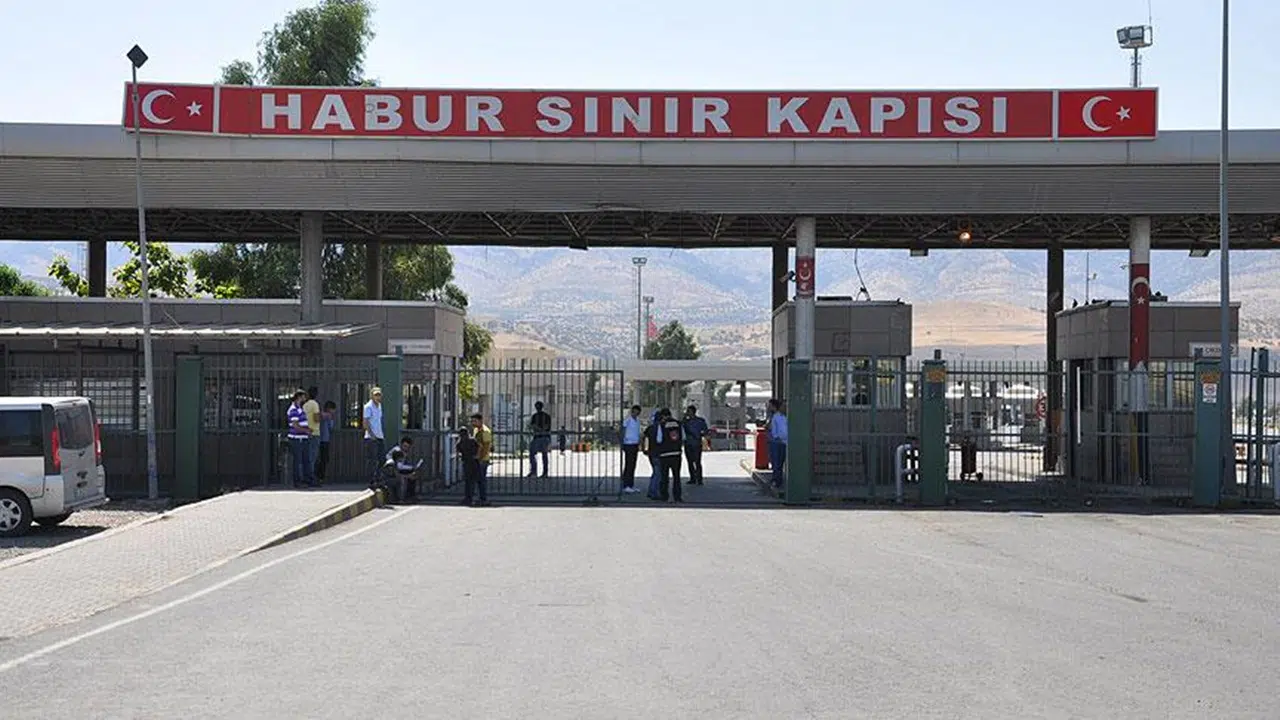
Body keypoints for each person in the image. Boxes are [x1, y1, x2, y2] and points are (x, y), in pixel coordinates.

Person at [654, 408, 685, 503]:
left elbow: (659, 439)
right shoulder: (679, 424)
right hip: (676, 454)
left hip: (665, 454)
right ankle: (677, 497)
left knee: (664, 477)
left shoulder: (661, 425)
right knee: (676, 477)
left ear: (663, 416)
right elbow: (684, 437)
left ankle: (664, 496)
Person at [285, 389, 314, 488]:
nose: (305, 398)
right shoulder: (293, 409)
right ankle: (297, 481)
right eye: (304, 396)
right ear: (299, 397)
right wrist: (306, 430)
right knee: (298, 461)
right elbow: (295, 425)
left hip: (302, 437)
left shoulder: (299, 408)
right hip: (297, 438)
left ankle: (307, 479)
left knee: (305, 459)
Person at [456, 425, 486, 506]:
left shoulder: (460, 443)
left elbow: (459, 452)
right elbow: (480, 446)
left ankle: (468, 498)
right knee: (479, 481)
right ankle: (482, 498)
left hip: (467, 463)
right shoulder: (472, 440)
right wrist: (477, 455)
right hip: (475, 462)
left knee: (469, 482)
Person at [386, 436, 423, 502]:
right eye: (405, 446)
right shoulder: (397, 451)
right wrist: (409, 474)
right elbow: (398, 468)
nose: (406, 448)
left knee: (413, 475)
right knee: (406, 477)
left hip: (396, 471)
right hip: (390, 475)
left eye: (407, 447)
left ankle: (411, 495)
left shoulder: (404, 452)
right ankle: (403, 498)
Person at [363, 387, 385, 490]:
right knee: (372, 460)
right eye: (376, 395)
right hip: (371, 438)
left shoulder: (379, 406)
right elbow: (365, 423)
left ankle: (378, 479)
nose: (378, 397)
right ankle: (371, 481)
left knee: (381, 459)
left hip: (380, 436)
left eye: (379, 395)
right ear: (372, 396)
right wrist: (372, 435)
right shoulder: (368, 407)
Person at [469, 413, 493, 506]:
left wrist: (481, 458)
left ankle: (483, 499)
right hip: (477, 458)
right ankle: (479, 498)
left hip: (483, 459)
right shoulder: (476, 430)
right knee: (478, 480)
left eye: (475, 421)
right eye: (472, 421)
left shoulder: (485, 431)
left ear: (480, 421)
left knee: (481, 480)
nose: (473, 423)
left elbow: (486, 447)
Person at [682, 404, 710, 486]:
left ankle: (699, 479)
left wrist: (702, 437)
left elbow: (705, 431)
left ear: (693, 412)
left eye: (689, 411)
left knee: (697, 462)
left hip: (696, 444)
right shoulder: (685, 421)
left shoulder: (700, 421)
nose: (687, 412)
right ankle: (693, 478)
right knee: (690, 462)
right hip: (688, 443)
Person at [766, 398, 789, 489]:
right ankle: (776, 480)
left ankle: (778, 479)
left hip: (783, 442)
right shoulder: (776, 416)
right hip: (777, 441)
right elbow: (773, 429)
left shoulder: (786, 417)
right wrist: (776, 437)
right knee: (776, 462)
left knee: (780, 462)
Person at [620, 405, 643, 494]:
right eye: (634, 412)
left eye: (637, 412)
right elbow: (623, 430)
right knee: (629, 465)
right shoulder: (628, 420)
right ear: (632, 411)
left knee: (633, 465)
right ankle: (626, 485)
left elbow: (638, 432)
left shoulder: (638, 421)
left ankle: (631, 484)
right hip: (628, 443)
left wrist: (639, 442)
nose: (636, 414)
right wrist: (622, 442)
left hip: (635, 444)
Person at [528, 401, 553, 479]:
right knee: (543, 454)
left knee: (533, 453)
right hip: (544, 437)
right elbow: (546, 426)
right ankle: (543, 472)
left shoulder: (535, 416)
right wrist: (542, 430)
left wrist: (538, 429)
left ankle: (534, 471)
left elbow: (533, 426)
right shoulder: (546, 416)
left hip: (539, 437)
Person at [303, 386, 322, 486]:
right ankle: (310, 479)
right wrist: (321, 416)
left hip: (306, 433)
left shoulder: (305, 405)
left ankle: (306, 477)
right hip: (314, 432)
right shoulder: (314, 404)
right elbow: (316, 418)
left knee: (307, 457)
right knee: (313, 457)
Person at [316, 400, 337, 484]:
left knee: (318, 459)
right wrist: (331, 419)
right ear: (329, 409)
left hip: (318, 438)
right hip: (324, 439)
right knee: (324, 459)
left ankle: (317, 477)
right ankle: (320, 477)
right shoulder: (328, 416)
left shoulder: (320, 414)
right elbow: (330, 427)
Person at [644, 409, 663, 500]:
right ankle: (654, 492)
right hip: (659, 453)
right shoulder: (662, 427)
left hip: (651, 453)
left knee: (655, 472)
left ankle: (651, 490)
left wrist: (645, 449)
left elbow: (645, 438)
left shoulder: (650, 428)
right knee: (658, 474)